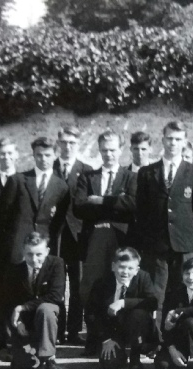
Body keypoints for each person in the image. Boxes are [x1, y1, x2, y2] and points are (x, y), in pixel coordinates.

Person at [132, 120, 193, 333]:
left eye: (178, 139)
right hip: (156, 246)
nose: (173, 143)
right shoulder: (147, 172)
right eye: (170, 138)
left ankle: (180, 337)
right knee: (156, 294)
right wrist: (145, 244)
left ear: (184, 142)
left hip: (185, 244)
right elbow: (141, 213)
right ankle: (155, 339)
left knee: (184, 291)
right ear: (163, 140)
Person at [74, 130, 138, 348]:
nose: (108, 154)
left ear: (120, 150)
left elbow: (132, 204)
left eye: (112, 150)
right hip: (95, 237)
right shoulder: (88, 176)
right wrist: (116, 202)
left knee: (121, 282)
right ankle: (94, 335)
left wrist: (100, 200)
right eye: (104, 150)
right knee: (93, 285)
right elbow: (79, 206)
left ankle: (121, 335)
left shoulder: (130, 177)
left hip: (121, 237)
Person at [0, 136, 70, 272]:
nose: (43, 159)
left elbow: (59, 221)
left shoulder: (61, 186)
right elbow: (3, 215)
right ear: (33, 155)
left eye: (47, 155)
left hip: (44, 245)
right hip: (18, 246)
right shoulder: (18, 180)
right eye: (39, 155)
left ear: (55, 156)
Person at [86, 247, 158, 369]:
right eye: (121, 267)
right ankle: (121, 354)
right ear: (113, 266)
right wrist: (106, 339)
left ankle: (135, 357)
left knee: (138, 313)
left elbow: (152, 303)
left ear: (136, 270)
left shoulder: (143, 278)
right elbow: (90, 314)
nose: (125, 272)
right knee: (109, 363)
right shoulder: (102, 283)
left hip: (137, 329)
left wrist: (123, 302)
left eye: (130, 268)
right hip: (113, 331)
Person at [3, 232, 65, 369]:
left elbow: (55, 296)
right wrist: (18, 322)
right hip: (26, 323)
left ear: (47, 251)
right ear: (23, 252)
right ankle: (36, 350)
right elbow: (8, 301)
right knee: (21, 365)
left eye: (39, 254)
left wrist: (24, 307)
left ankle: (49, 358)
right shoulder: (15, 270)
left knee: (45, 308)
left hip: (48, 318)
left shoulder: (56, 264)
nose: (34, 259)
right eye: (29, 254)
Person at [53, 125, 94, 345]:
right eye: (64, 142)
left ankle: (75, 330)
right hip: (56, 236)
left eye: (72, 143)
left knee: (78, 286)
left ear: (78, 144)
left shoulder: (87, 170)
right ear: (58, 143)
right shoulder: (49, 167)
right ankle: (57, 331)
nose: (67, 147)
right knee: (56, 284)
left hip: (78, 235)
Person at [0, 138, 21, 349]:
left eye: (10, 153)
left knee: (16, 292)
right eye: (2, 153)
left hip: (16, 245)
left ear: (16, 155)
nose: (6, 157)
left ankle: (16, 338)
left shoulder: (24, 180)